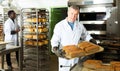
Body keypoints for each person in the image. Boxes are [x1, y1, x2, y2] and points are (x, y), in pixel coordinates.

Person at [51, 5, 96, 71]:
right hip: (65, 56)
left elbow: (85, 35)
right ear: (68, 12)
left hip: (76, 56)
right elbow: (54, 40)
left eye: (75, 14)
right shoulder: (59, 26)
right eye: (72, 13)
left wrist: (91, 39)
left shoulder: (80, 25)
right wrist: (55, 49)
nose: (73, 16)